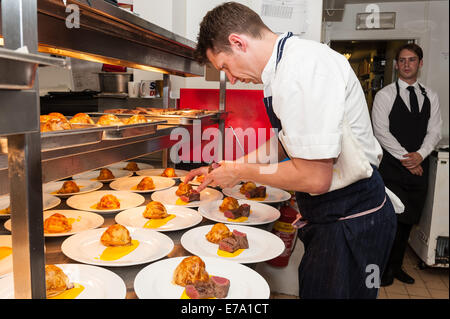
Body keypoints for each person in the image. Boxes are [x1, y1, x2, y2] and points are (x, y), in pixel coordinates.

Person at [185, 2, 396, 299]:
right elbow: (286, 142)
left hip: (351, 221)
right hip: (334, 217)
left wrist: (241, 172)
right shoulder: (284, 68)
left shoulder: (302, 70)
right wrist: (227, 166)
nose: (230, 79)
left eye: (224, 67)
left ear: (237, 42)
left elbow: (314, 178)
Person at [372, 43, 442, 286]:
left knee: (408, 222)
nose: (406, 64)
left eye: (411, 60)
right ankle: (382, 270)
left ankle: (396, 267)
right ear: (396, 64)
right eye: (402, 60)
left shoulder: (430, 96)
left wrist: (420, 156)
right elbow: (380, 132)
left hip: (418, 170)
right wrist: (408, 159)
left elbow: (435, 131)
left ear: (420, 64)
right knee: (390, 221)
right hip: (392, 170)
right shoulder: (385, 95)